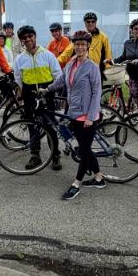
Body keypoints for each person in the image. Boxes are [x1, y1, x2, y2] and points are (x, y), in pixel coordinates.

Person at [45, 30, 105, 200]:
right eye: (76, 44)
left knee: (84, 152)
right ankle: (99, 177)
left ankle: (76, 184)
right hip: (74, 113)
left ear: (87, 47)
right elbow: (62, 80)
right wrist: (47, 89)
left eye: (82, 45)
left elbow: (97, 93)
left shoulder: (92, 67)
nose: (79, 47)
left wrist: (91, 117)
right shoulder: (71, 63)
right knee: (84, 148)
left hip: (87, 116)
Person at [13, 25, 64, 171]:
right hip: (29, 95)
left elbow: (58, 75)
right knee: (32, 125)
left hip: (46, 93)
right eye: (24, 38)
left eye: (30, 36)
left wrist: (56, 93)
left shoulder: (47, 55)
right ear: (21, 41)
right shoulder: (19, 59)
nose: (28, 39)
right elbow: (18, 78)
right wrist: (19, 92)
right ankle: (35, 155)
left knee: (50, 126)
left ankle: (55, 155)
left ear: (35, 37)